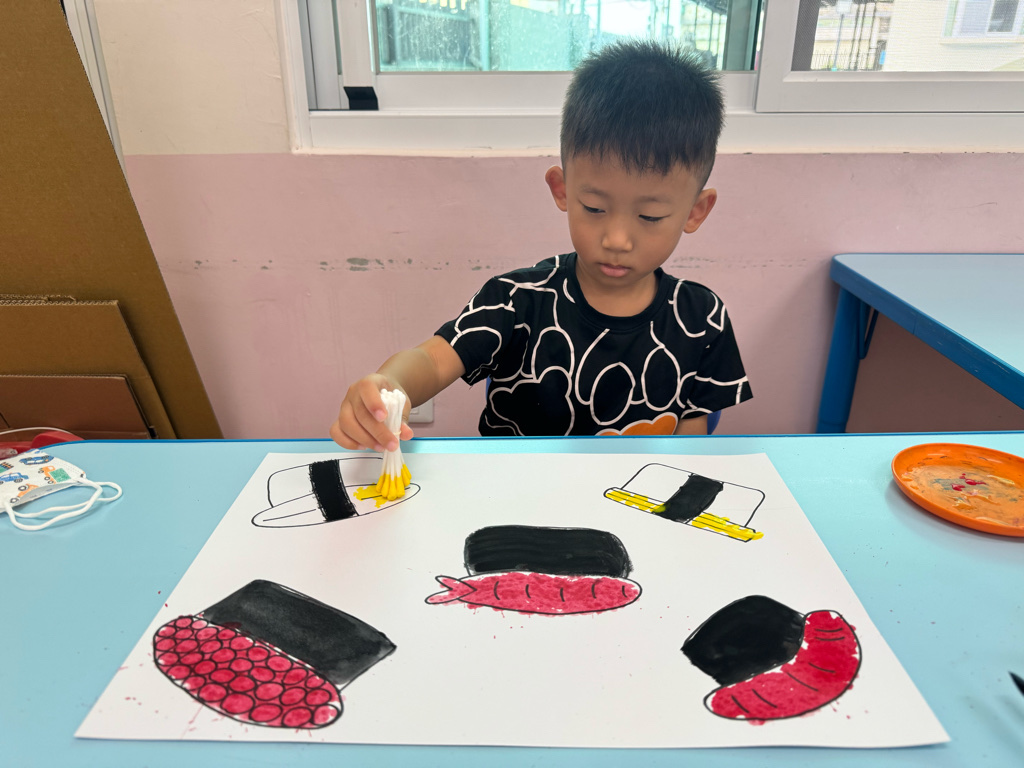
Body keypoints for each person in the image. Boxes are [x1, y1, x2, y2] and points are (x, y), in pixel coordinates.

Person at [330, 39, 752, 453]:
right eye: (594, 208)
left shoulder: (702, 319)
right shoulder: (515, 300)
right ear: (562, 190)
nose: (617, 240)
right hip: (517, 493)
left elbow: (691, 444)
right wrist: (391, 387)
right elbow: (435, 360)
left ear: (695, 211)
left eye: (650, 216)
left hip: (636, 493)